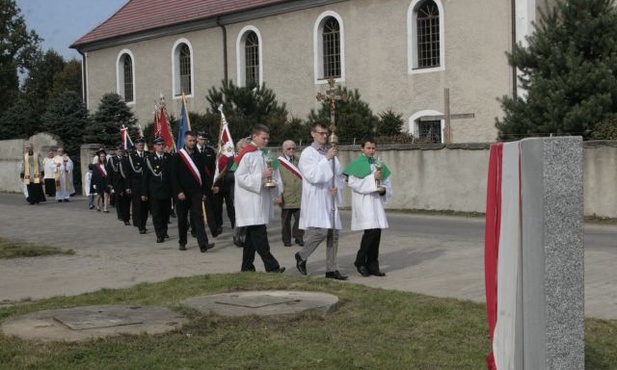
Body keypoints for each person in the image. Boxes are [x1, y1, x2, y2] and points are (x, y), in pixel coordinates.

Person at [295, 122, 347, 280]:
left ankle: (331, 269)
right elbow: (312, 175)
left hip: (329, 197)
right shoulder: (307, 153)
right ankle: (302, 255)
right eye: (321, 133)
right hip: (316, 197)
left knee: (334, 234)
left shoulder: (329, 152)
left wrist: (336, 187)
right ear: (313, 134)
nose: (325, 136)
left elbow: (338, 174)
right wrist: (326, 159)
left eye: (326, 133)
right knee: (321, 231)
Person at [234, 124, 285, 273]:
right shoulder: (247, 154)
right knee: (260, 235)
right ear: (254, 137)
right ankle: (272, 266)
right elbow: (240, 177)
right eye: (264, 138)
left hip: (262, 199)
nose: (266, 141)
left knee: (251, 237)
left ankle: (247, 266)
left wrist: (275, 187)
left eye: (268, 138)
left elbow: (275, 175)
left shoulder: (267, 154)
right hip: (250, 201)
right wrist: (260, 177)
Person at [344, 137, 392, 277]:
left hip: (376, 203)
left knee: (376, 234)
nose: (371, 151)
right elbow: (353, 183)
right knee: (370, 234)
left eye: (373, 148)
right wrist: (373, 178)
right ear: (362, 149)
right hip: (364, 202)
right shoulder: (357, 163)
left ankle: (373, 265)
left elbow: (387, 183)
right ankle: (360, 262)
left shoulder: (379, 163)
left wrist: (383, 189)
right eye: (368, 148)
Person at [171, 131, 215, 252]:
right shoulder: (178, 156)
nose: (192, 143)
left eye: (194, 141)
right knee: (182, 218)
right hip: (182, 193)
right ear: (185, 140)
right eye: (190, 141)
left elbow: (204, 176)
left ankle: (203, 244)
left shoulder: (199, 156)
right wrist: (179, 191)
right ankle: (182, 242)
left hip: (196, 192)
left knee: (198, 217)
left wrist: (205, 192)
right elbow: (173, 176)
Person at [142, 137, 173, 243]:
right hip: (154, 191)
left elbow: (173, 176)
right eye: (158, 145)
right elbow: (145, 177)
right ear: (154, 146)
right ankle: (159, 234)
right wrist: (144, 192)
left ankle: (164, 230)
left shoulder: (169, 157)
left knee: (166, 213)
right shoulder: (149, 159)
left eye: (162, 144)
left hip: (167, 190)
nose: (161, 146)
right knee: (156, 213)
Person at [275, 140, 304, 247]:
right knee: (286, 221)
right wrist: (277, 195)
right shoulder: (277, 161)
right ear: (283, 149)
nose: (291, 150)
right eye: (289, 148)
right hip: (285, 195)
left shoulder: (299, 160)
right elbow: (274, 179)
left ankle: (298, 237)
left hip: (299, 195)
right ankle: (286, 239)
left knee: (301, 219)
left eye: (293, 148)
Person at [195, 131, 219, 237]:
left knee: (210, 206)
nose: (203, 141)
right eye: (201, 139)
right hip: (196, 183)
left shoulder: (210, 151)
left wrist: (215, 183)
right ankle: (195, 229)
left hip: (208, 183)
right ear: (197, 139)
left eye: (204, 139)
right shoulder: (192, 151)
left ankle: (213, 228)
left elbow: (214, 169)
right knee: (196, 208)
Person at [126, 138, 149, 234]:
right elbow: (128, 173)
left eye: (142, 144)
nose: (141, 146)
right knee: (138, 206)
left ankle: (143, 223)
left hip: (147, 185)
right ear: (135, 146)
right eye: (139, 144)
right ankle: (141, 226)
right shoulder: (131, 157)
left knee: (145, 207)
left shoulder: (148, 155)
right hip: (136, 185)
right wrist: (128, 186)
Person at [108, 145, 131, 225]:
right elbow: (109, 172)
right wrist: (109, 183)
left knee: (126, 200)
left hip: (125, 182)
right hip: (116, 183)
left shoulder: (126, 159)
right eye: (118, 151)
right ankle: (120, 215)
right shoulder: (112, 160)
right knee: (118, 199)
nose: (120, 152)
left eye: (121, 151)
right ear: (116, 151)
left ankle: (126, 217)